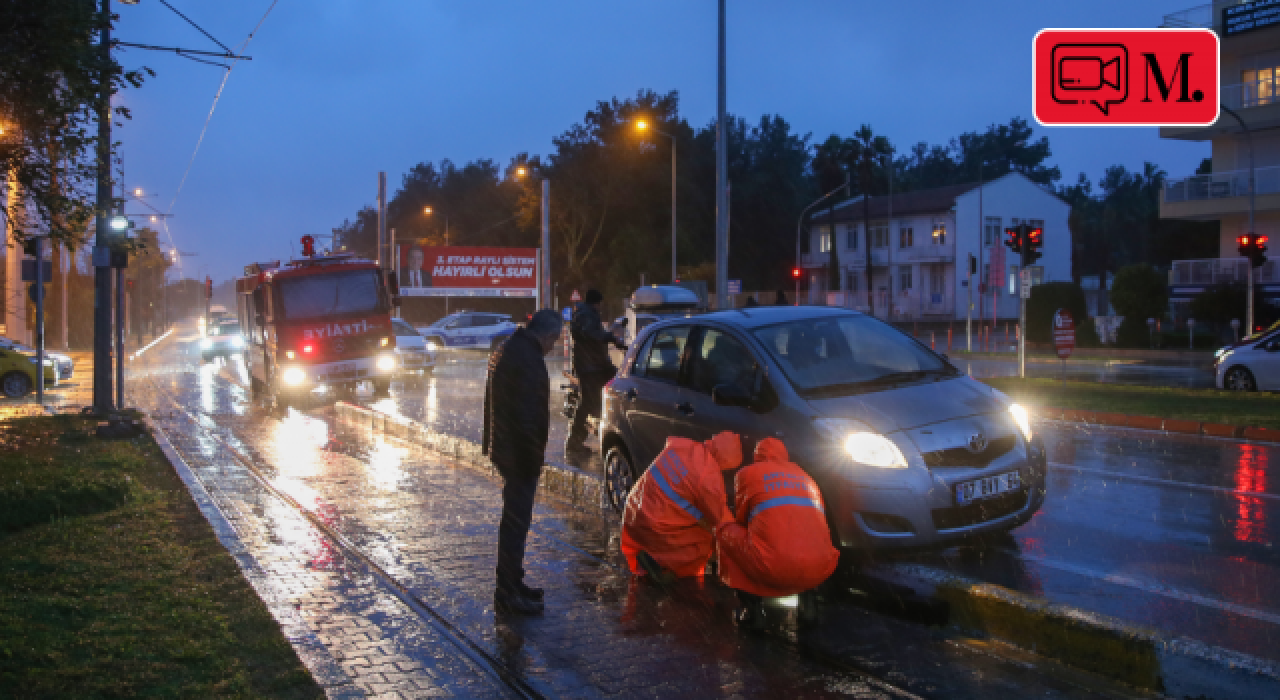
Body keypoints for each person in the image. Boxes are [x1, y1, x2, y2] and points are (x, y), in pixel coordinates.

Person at [482, 308, 562, 615]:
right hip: (518, 454)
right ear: (546, 334)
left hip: (506, 448)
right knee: (516, 525)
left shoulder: (510, 347)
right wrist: (532, 462)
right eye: (554, 340)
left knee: (514, 524)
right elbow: (529, 419)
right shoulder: (527, 359)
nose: (553, 347)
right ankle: (507, 593)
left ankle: (513, 583)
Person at [715, 437, 839, 627]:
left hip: (774, 565)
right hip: (821, 565)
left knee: (726, 531)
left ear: (757, 456)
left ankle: (752, 611)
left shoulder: (747, 474)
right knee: (804, 541)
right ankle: (809, 606)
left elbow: (742, 520)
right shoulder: (805, 475)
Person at [620, 431, 742, 582]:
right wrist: (742, 539)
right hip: (655, 525)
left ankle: (650, 556)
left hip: (634, 509)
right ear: (728, 460)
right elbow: (721, 519)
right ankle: (665, 567)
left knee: (691, 521)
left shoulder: (684, 445)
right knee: (703, 540)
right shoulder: (709, 477)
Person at [566, 288, 625, 456]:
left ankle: (599, 431)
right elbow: (592, 335)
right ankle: (575, 442)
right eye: (600, 304)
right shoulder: (587, 314)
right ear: (597, 303)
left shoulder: (584, 312)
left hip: (595, 364)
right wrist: (611, 337)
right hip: (590, 366)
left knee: (611, 389)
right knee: (587, 404)